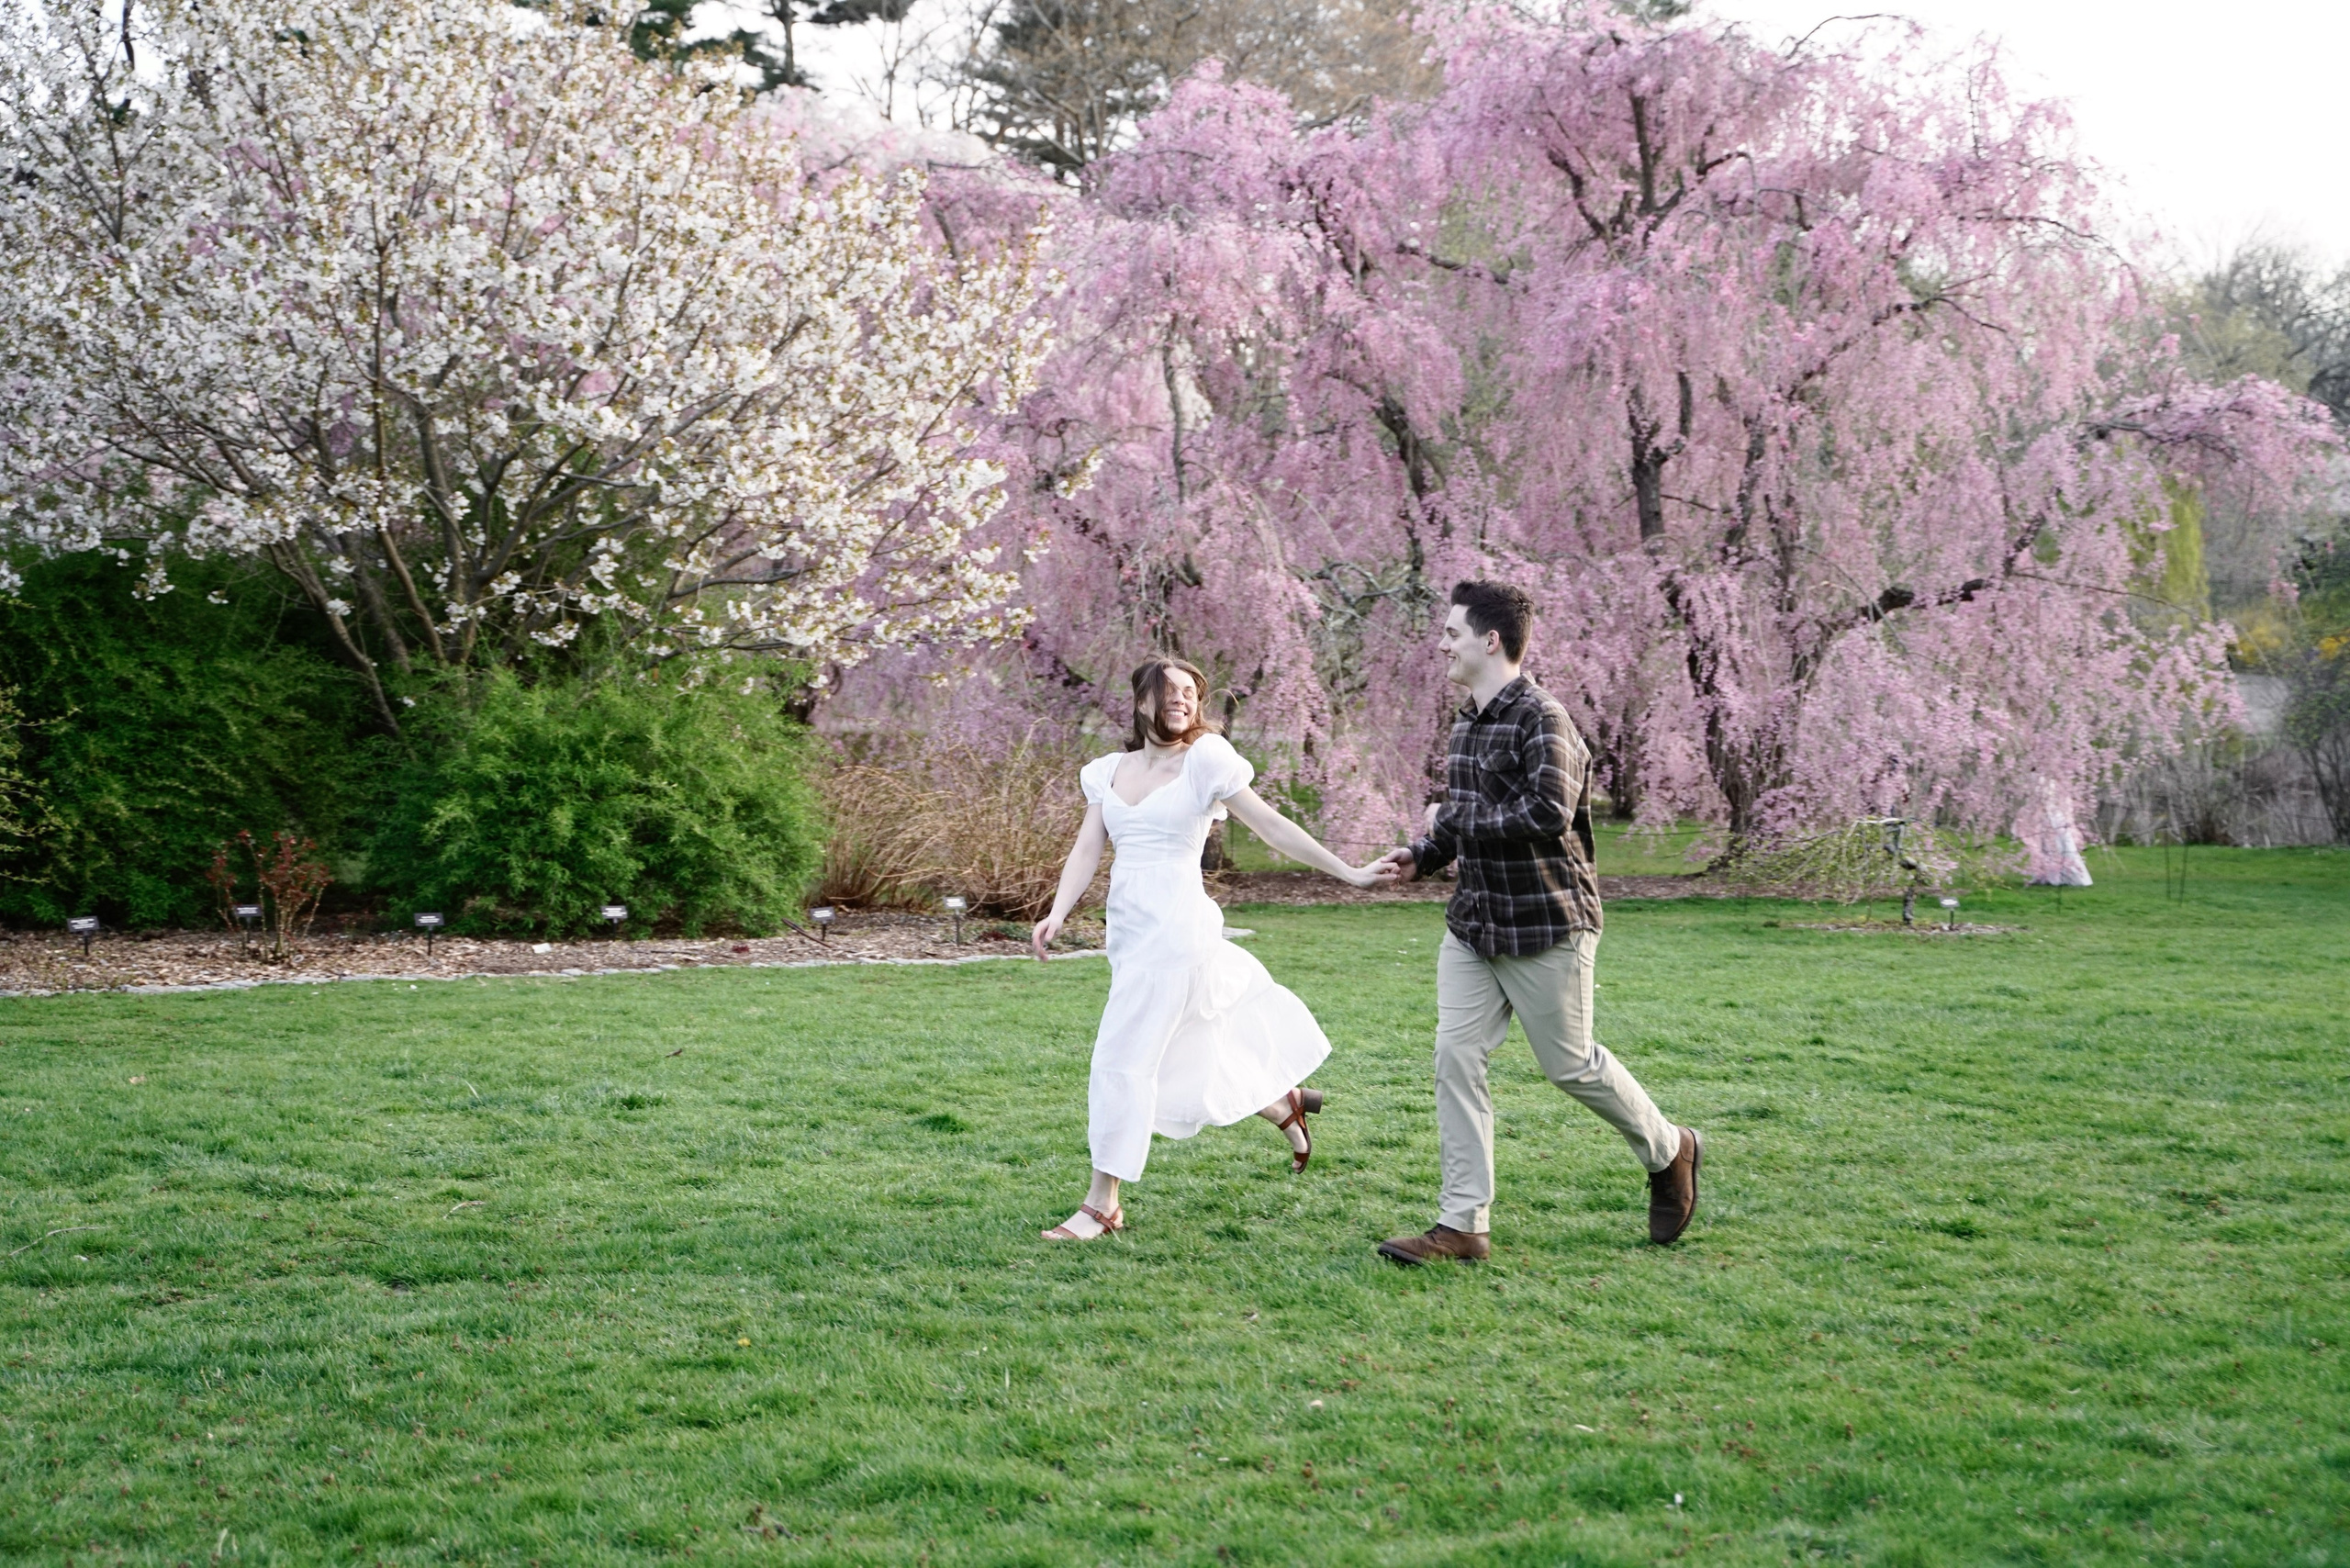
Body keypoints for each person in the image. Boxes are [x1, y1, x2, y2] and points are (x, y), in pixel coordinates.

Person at [1372, 581, 1702, 1262]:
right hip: (1474, 925)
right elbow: (1472, 821)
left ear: (1490, 640)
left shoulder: (1541, 718)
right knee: (1455, 1058)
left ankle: (1670, 1148)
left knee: (1570, 1065)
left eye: (1452, 633)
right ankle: (1463, 1224)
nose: (1442, 644)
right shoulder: (1467, 721)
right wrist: (1427, 854)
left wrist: (1451, 821)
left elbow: (1545, 815)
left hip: (1547, 922)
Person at [1031, 655, 1401, 1241]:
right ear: (1141, 701)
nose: (1181, 700)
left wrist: (1349, 873)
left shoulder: (1206, 759)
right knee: (1185, 1050)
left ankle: (1103, 1204)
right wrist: (1057, 912)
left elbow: (1272, 825)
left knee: (1121, 1062)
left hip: (1180, 932)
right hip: (1130, 934)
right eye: (1169, 690)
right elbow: (1086, 849)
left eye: (1190, 693)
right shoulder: (1106, 771)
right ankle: (1282, 1102)